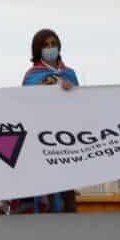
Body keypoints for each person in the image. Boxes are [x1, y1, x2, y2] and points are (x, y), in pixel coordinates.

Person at [10, 30, 80, 215]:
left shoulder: (70, 73)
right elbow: (26, 102)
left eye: (53, 44)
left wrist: (69, 89)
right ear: (37, 49)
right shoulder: (32, 75)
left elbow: (81, 103)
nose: (50, 48)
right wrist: (48, 87)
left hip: (68, 138)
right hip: (42, 138)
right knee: (46, 186)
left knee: (68, 188)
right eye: (45, 45)